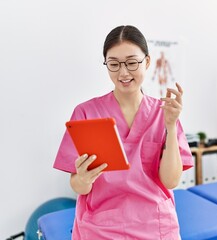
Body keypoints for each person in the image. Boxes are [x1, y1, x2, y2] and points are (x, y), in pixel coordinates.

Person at [53, 25, 193, 239]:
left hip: (154, 225)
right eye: (114, 64)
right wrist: (83, 179)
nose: (123, 72)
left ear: (147, 62)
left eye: (131, 62)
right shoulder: (86, 112)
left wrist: (171, 125)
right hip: (101, 227)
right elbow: (78, 187)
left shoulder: (163, 113)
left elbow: (170, 182)